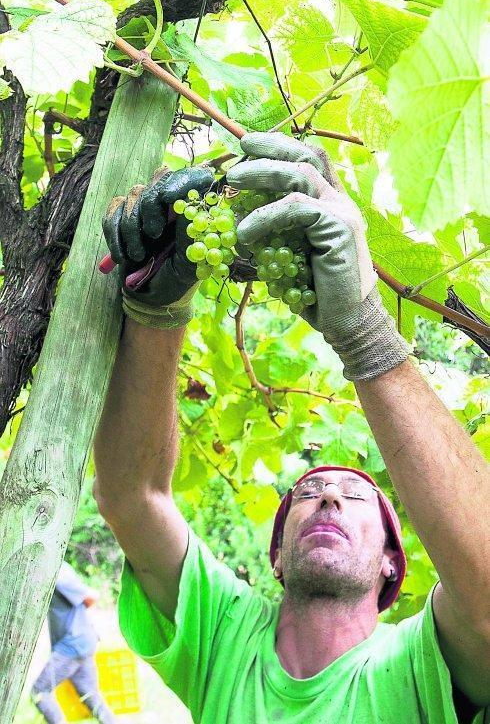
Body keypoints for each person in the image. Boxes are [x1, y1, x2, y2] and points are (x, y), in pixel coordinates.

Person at [94, 133, 489, 723]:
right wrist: (156, 311)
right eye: (306, 493)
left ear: (392, 563)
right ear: (276, 555)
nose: (328, 493)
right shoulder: (226, 634)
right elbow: (132, 495)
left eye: (356, 497)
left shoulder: (418, 664)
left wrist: (367, 336)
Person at [31, 560, 116, 724]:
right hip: (82, 641)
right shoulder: (57, 566)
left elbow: (90, 597)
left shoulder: (57, 570)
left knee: (39, 691)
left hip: (72, 644)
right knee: (90, 694)